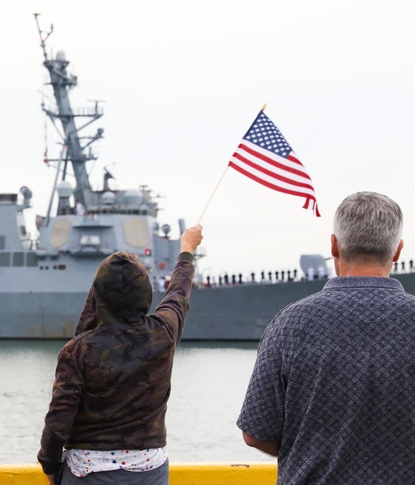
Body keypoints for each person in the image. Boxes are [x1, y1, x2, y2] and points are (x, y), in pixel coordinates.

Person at [238, 191, 414, 484]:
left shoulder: (290, 323)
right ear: (397, 251)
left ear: (333, 245)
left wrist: (309, 449)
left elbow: (255, 433)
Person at [38, 224, 204, 485]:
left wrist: (49, 466)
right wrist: (186, 249)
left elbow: (58, 422)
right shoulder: (163, 333)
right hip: (149, 472)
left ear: (98, 295)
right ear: (145, 292)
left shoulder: (76, 351)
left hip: (86, 474)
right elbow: (178, 294)